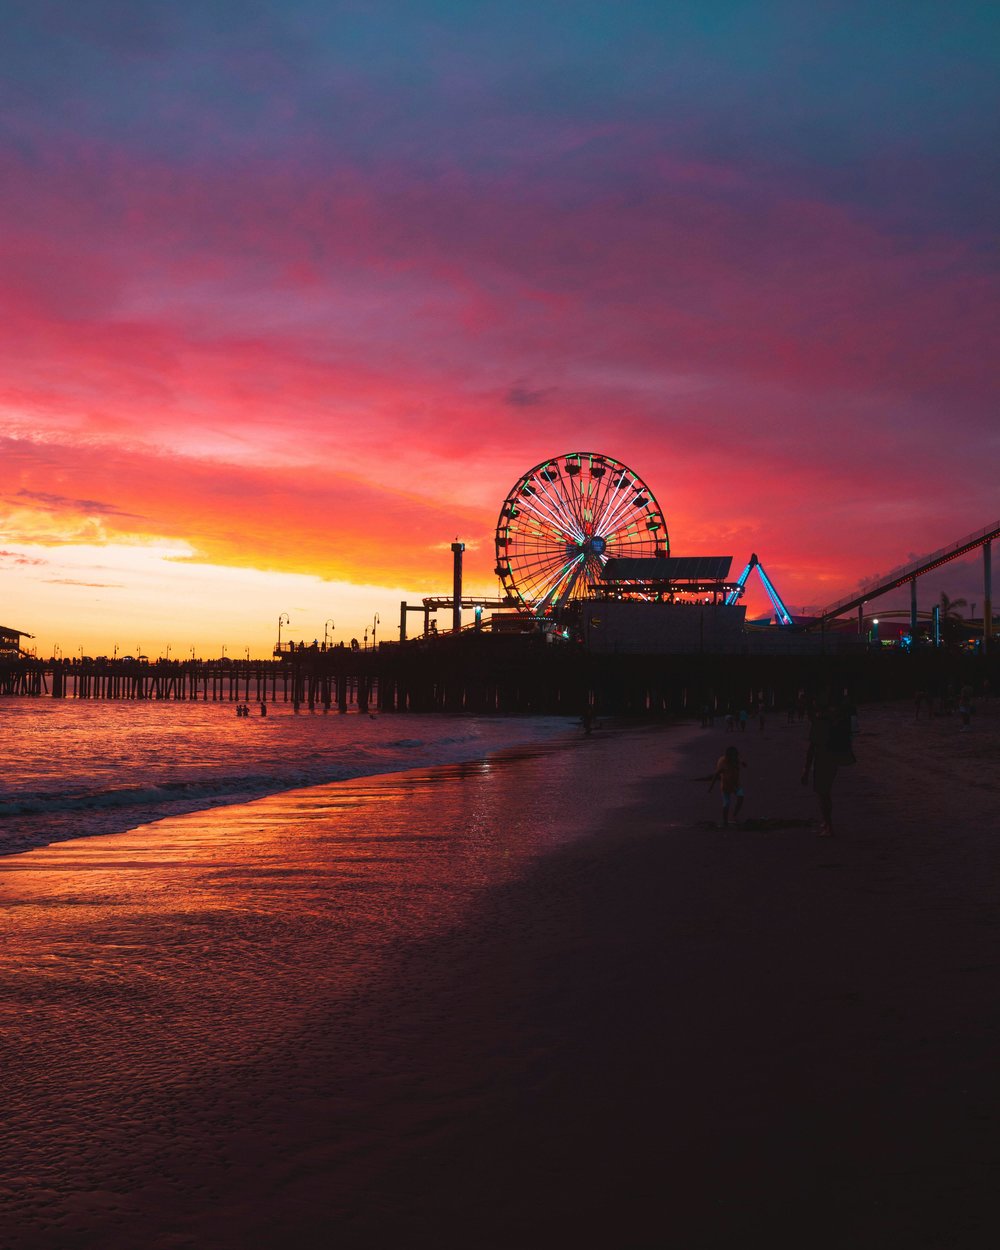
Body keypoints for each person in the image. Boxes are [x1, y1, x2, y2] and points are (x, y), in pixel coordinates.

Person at [802, 694, 854, 837]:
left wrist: (805, 770)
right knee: (824, 793)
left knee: (823, 794)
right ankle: (826, 822)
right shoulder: (831, 721)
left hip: (822, 761)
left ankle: (829, 826)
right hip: (833, 761)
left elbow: (811, 749)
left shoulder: (819, 724)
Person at [708, 745, 747, 829]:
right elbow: (715, 775)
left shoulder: (736, 759)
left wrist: (743, 763)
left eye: (736, 756)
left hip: (736, 784)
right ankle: (725, 821)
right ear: (728, 757)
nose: (735, 758)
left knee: (741, 797)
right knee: (726, 804)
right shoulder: (723, 763)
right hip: (726, 785)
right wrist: (710, 787)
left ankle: (734, 814)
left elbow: (740, 760)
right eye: (733, 756)